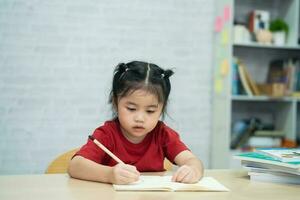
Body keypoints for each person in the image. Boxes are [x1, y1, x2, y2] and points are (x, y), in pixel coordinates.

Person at [68, 61, 204, 184]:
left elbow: (192, 161)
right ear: (116, 103)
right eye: (131, 109)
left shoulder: (162, 134)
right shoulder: (107, 134)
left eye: (150, 111)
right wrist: (109, 175)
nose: (140, 118)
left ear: (161, 109)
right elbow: (75, 166)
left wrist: (193, 170)